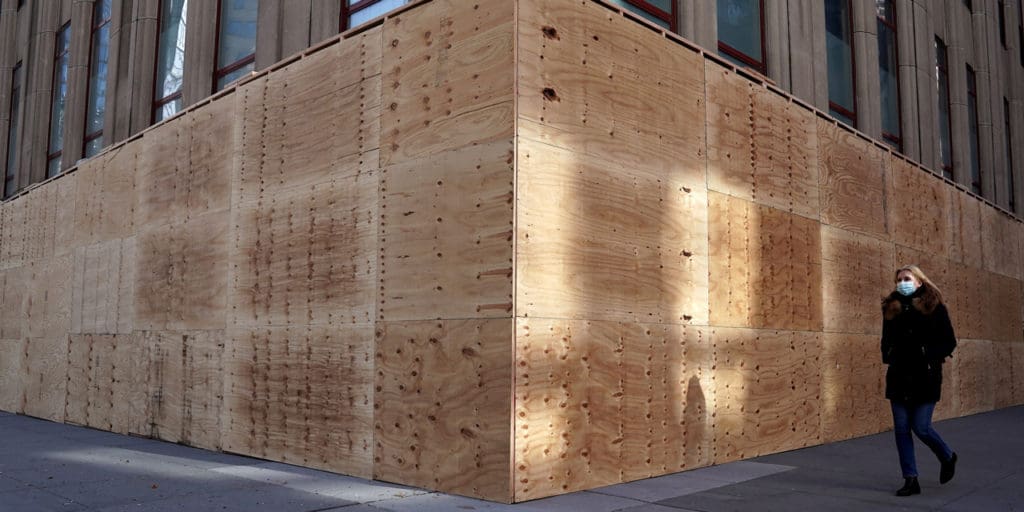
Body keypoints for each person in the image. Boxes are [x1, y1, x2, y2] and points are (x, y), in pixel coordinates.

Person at [880, 264, 958, 496]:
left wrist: (927, 354)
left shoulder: (935, 307)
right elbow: (886, 340)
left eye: (906, 278)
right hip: (898, 376)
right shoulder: (891, 308)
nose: (901, 283)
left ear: (919, 282)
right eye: (899, 279)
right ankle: (910, 479)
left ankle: (947, 456)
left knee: (921, 427)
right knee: (902, 430)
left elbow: (949, 341)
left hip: (926, 376)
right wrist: (889, 355)